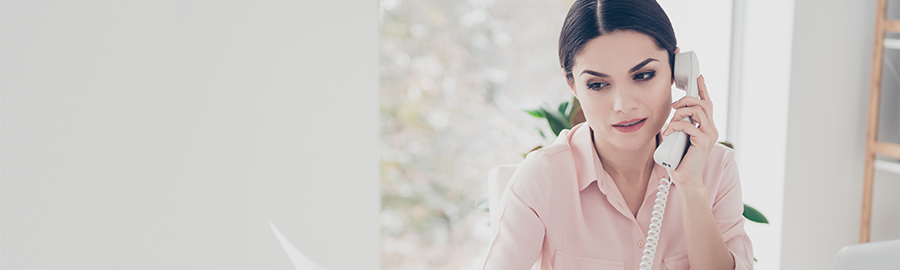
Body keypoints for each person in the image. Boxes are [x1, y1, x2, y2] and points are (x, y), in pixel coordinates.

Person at [479, 0, 753, 269]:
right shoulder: (543, 177)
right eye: (598, 84)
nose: (624, 105)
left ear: (677, 71)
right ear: (572, 84)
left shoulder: (717, 167)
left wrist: (691, 188)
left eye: (643, 75)